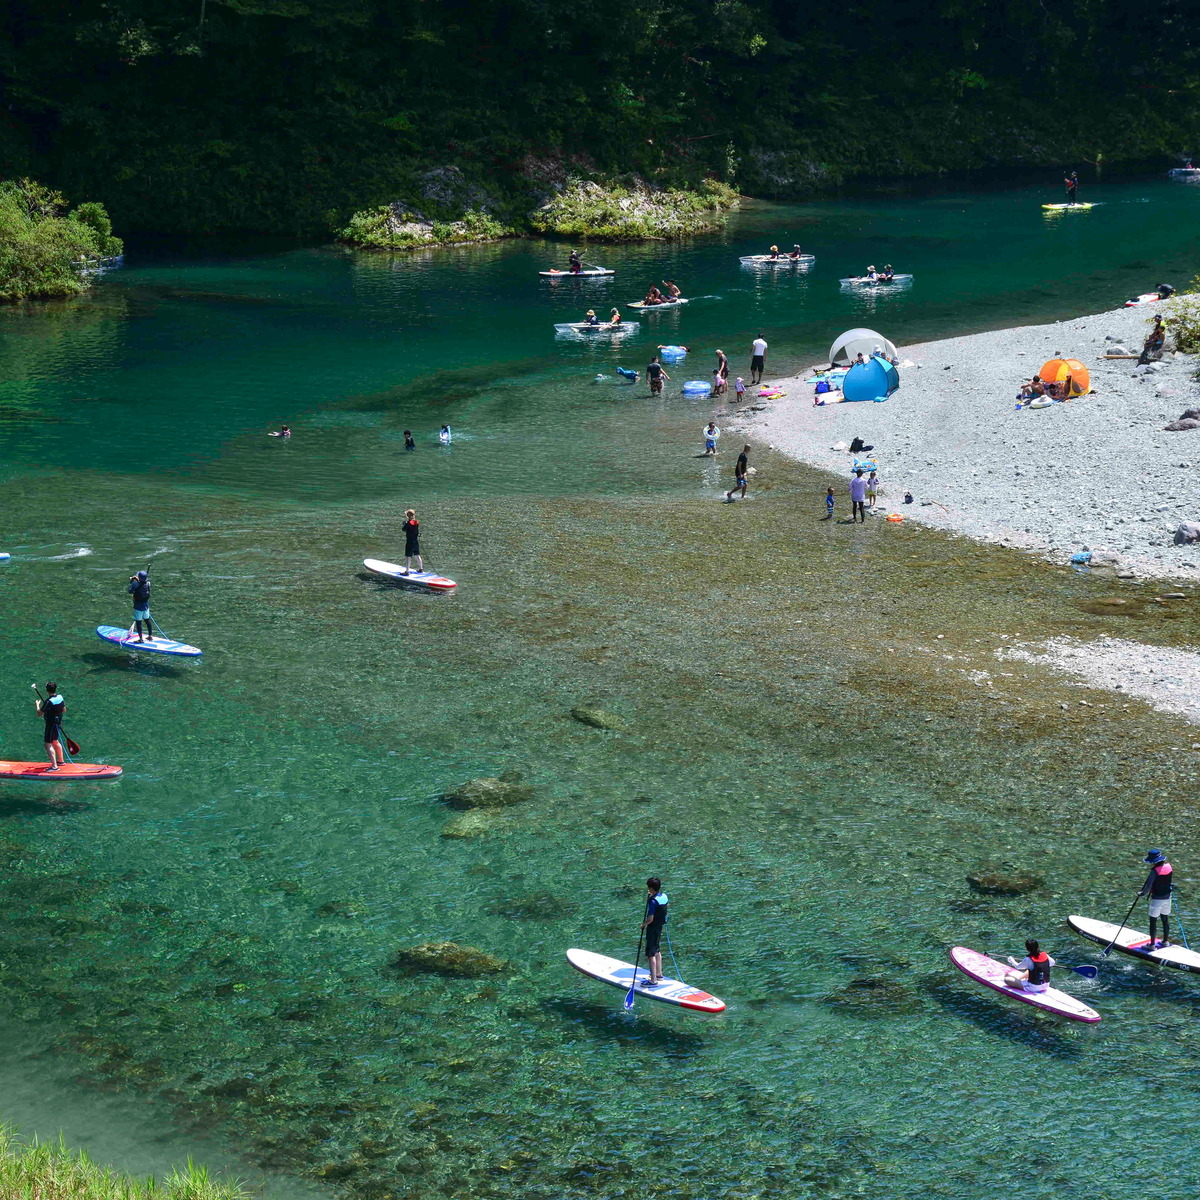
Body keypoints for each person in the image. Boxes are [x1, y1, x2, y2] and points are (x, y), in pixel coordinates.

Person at [1140, 848, 1174, 949]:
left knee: (1153, 921)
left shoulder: (1154, 871)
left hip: (1157, 899)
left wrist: (1141, 893)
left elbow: (1148, 887)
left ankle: (1152, 945)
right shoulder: (1169, 867)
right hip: (1168, 898)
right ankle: (1165, 941)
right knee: (1165, 919)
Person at [640, 877, 669, 985]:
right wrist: (652, 895)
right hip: (659, 926)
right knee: (657, 950)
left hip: (652, 928)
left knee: (650, 954)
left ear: (651, 888)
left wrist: (643, 925)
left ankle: (653, 981)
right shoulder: (664, 896)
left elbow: (650, 918)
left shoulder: (652, 901)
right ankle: (659, 974)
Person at [36, 682, 65, 771]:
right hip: (58, 723)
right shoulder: (60, 697)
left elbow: (39, 714)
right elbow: (64, 710)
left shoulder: (48, 702)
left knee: (47, 744)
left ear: (47, 690)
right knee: (55, 741)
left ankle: (54, 767)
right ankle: (61, 761)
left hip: (50, 724)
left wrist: (37, 705)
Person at [128, 569, 152, 643]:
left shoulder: (135, 584)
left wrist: (132, 581)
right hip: (146, 606)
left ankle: (141, 639)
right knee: (147, 621)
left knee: (139, 622)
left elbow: (130, 591)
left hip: (138, 606)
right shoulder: (148, 583)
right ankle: (150, 636)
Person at [401, 509, 423, 575]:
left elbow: (403, 529)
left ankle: (407, 571)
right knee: (417, 555)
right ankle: (420, 569)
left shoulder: (408, 523)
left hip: (410, 542)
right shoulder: (416, 522)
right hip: (415, 541)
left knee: (408, 556)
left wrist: (404, 524)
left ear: (407, 516)